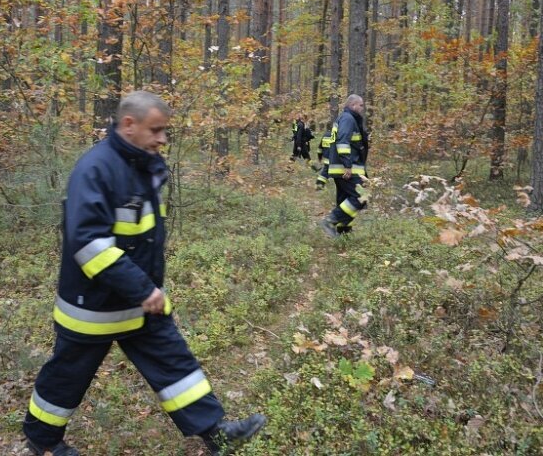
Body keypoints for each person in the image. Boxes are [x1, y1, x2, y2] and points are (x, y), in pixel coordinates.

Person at [23, 91, 265, 456]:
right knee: (66, 378)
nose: (162, 139)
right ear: (129, 125)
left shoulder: (142, 166)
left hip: (140, 303)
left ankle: (215, 433)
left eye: (165, 130)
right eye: (156, 130)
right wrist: (142, 288)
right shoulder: (95, 170)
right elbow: (89, 243)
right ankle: (42, 443)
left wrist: (145, 290)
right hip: (94, 308)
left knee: (175, 363)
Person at [319, 94, 369, 237]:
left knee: (344, 201)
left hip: (342, 168)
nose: (362, 108)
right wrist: (347, 165)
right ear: (353, 105)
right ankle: (330, 221)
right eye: (361, 105)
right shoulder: (348, 119)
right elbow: (342, 142)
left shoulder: (346, 118)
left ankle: (344, 233)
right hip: (347, 169)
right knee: (361, 196)